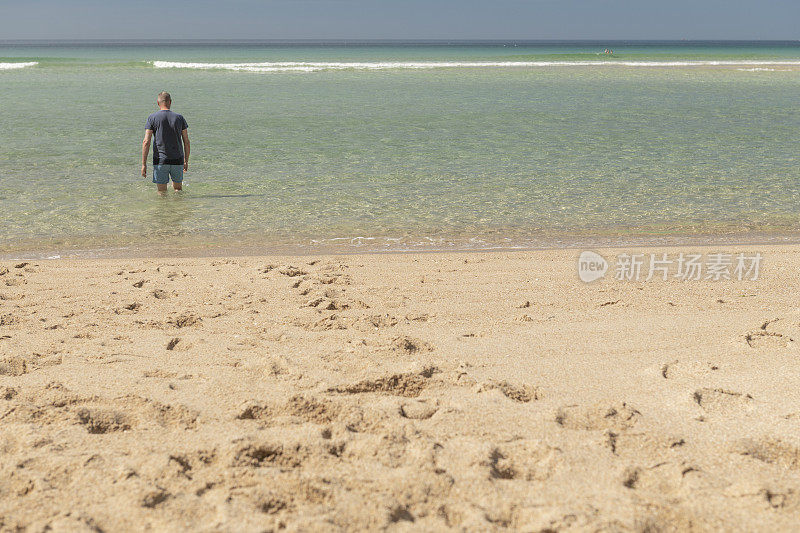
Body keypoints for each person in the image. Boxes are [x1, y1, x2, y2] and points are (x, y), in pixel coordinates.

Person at [141, 92, 190, 193]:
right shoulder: (179, 118)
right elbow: (186, 141)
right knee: (178, 190)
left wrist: (144, 164)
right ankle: (179, 208)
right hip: (177, 160)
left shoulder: (152, 118)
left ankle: (164, 209)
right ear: (170, 102)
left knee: (162, 192)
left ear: (158, 103)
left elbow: (146, 141)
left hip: (160, 161)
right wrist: (186, 160)